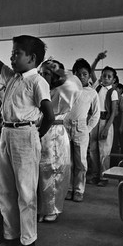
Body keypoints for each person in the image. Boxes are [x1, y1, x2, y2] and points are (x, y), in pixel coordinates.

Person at [0, 10, 54, 246]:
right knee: (5, 189)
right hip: (6, 133)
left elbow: (50, 115)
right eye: (12, 53)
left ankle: (28, 240)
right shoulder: (11, 76)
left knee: (26, 191)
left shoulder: (37, 81)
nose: (12, 57)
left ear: (32, 58)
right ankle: (10, 235)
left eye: (16, 53)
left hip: (25, 135)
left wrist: (35, 135)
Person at [37, 59, 81, 222]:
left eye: (47, 74)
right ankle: (40, 207)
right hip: (40, 132)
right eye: (41, 73)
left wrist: (59, 70)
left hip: (55, 132)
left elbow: (74, 81)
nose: (43, 77)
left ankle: (51, 208)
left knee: (53, 169)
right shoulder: (41, 87)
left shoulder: (64, 89)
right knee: (40, 170)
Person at [64, 58, 100, 202]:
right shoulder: (67, 90)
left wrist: (88, 128)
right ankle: (68, 188)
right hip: (65, 126)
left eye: (85, 74)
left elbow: (96, 113)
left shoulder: (92, 93)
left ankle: (79, 190)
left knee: (81, 162)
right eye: (78, 74)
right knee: (67, 161)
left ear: (89, 76)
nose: (81, 77)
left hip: (81, 128)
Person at [89, 65, 118, 186]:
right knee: (93, 149)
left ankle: (104, 177)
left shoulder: (113, 92)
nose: (105, 78)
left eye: (109, 76)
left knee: (104, 151)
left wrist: (106, 128)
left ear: (113, 80)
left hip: (106, 121)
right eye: (104, 75)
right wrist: (96, 59)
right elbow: (91, 71)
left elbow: (113, 112)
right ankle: (95, 175)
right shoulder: (97, 87)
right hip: (94, 120)